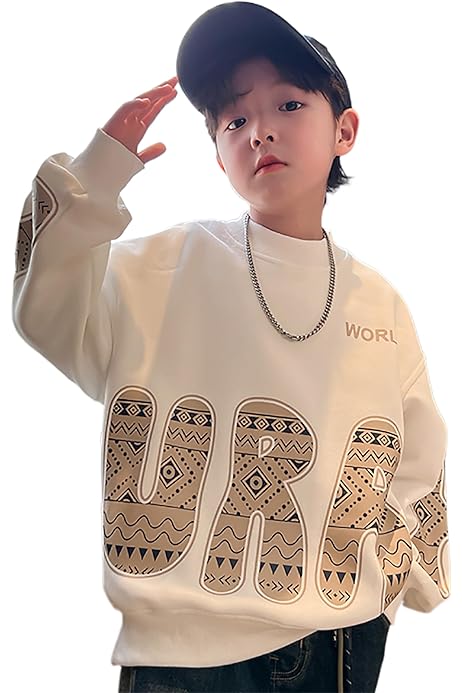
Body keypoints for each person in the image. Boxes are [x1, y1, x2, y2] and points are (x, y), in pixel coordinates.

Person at [12, 2, 450, 692]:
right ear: (219, 156)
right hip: (179, 658)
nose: (260, 131)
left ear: (345, 129)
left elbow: (418, 459)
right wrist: (95, 178)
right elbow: (46, 311)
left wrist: (390, 593)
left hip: (339, 644)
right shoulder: (160, 268)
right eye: (234, 120)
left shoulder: (380, 304)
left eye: (288, 104)